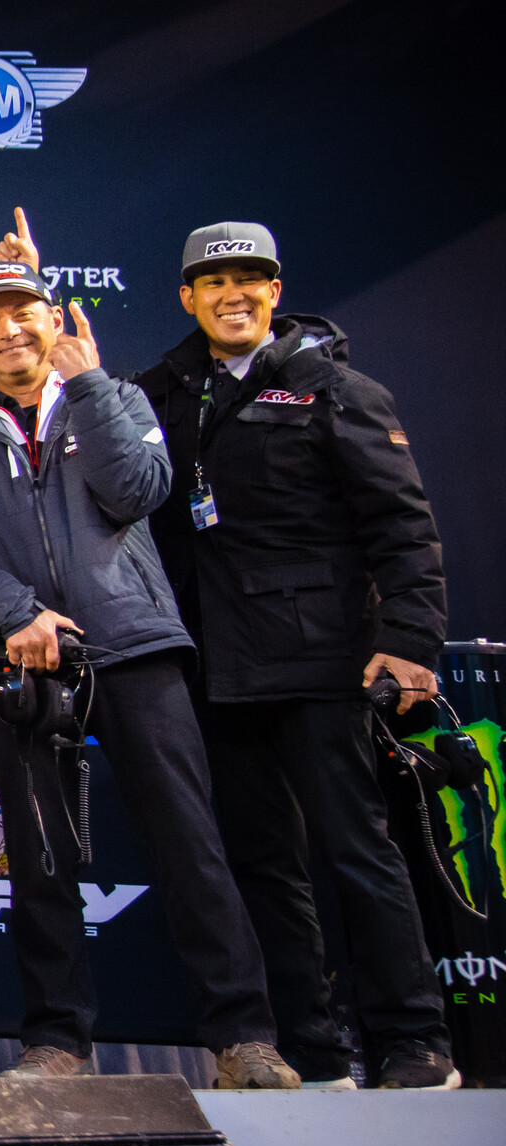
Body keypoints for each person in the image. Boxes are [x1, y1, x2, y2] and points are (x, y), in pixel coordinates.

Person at [0, 219, 298, 1089]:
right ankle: (58, 1044)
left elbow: (141, 491)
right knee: (42, 860)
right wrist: (18, 612)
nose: (8, 330)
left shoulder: (115, 397)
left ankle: (244, 1038)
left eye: (23, 313)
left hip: (135, 648)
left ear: (54, 322)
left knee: (189, 844)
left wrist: (85, 387)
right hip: (22, 664)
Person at [136, 222, 456, 1090]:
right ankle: (314, 1054)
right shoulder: (162, 393)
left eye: (250, 279)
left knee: (358, 851)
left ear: (276, 292)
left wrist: (408, 640)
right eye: (214, 281)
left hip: (323, 663)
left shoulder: (336, 388)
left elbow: (401, 526)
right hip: (216, 671)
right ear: (187, 297)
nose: (232, 295)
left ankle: (414, 1042)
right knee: (262, 868)